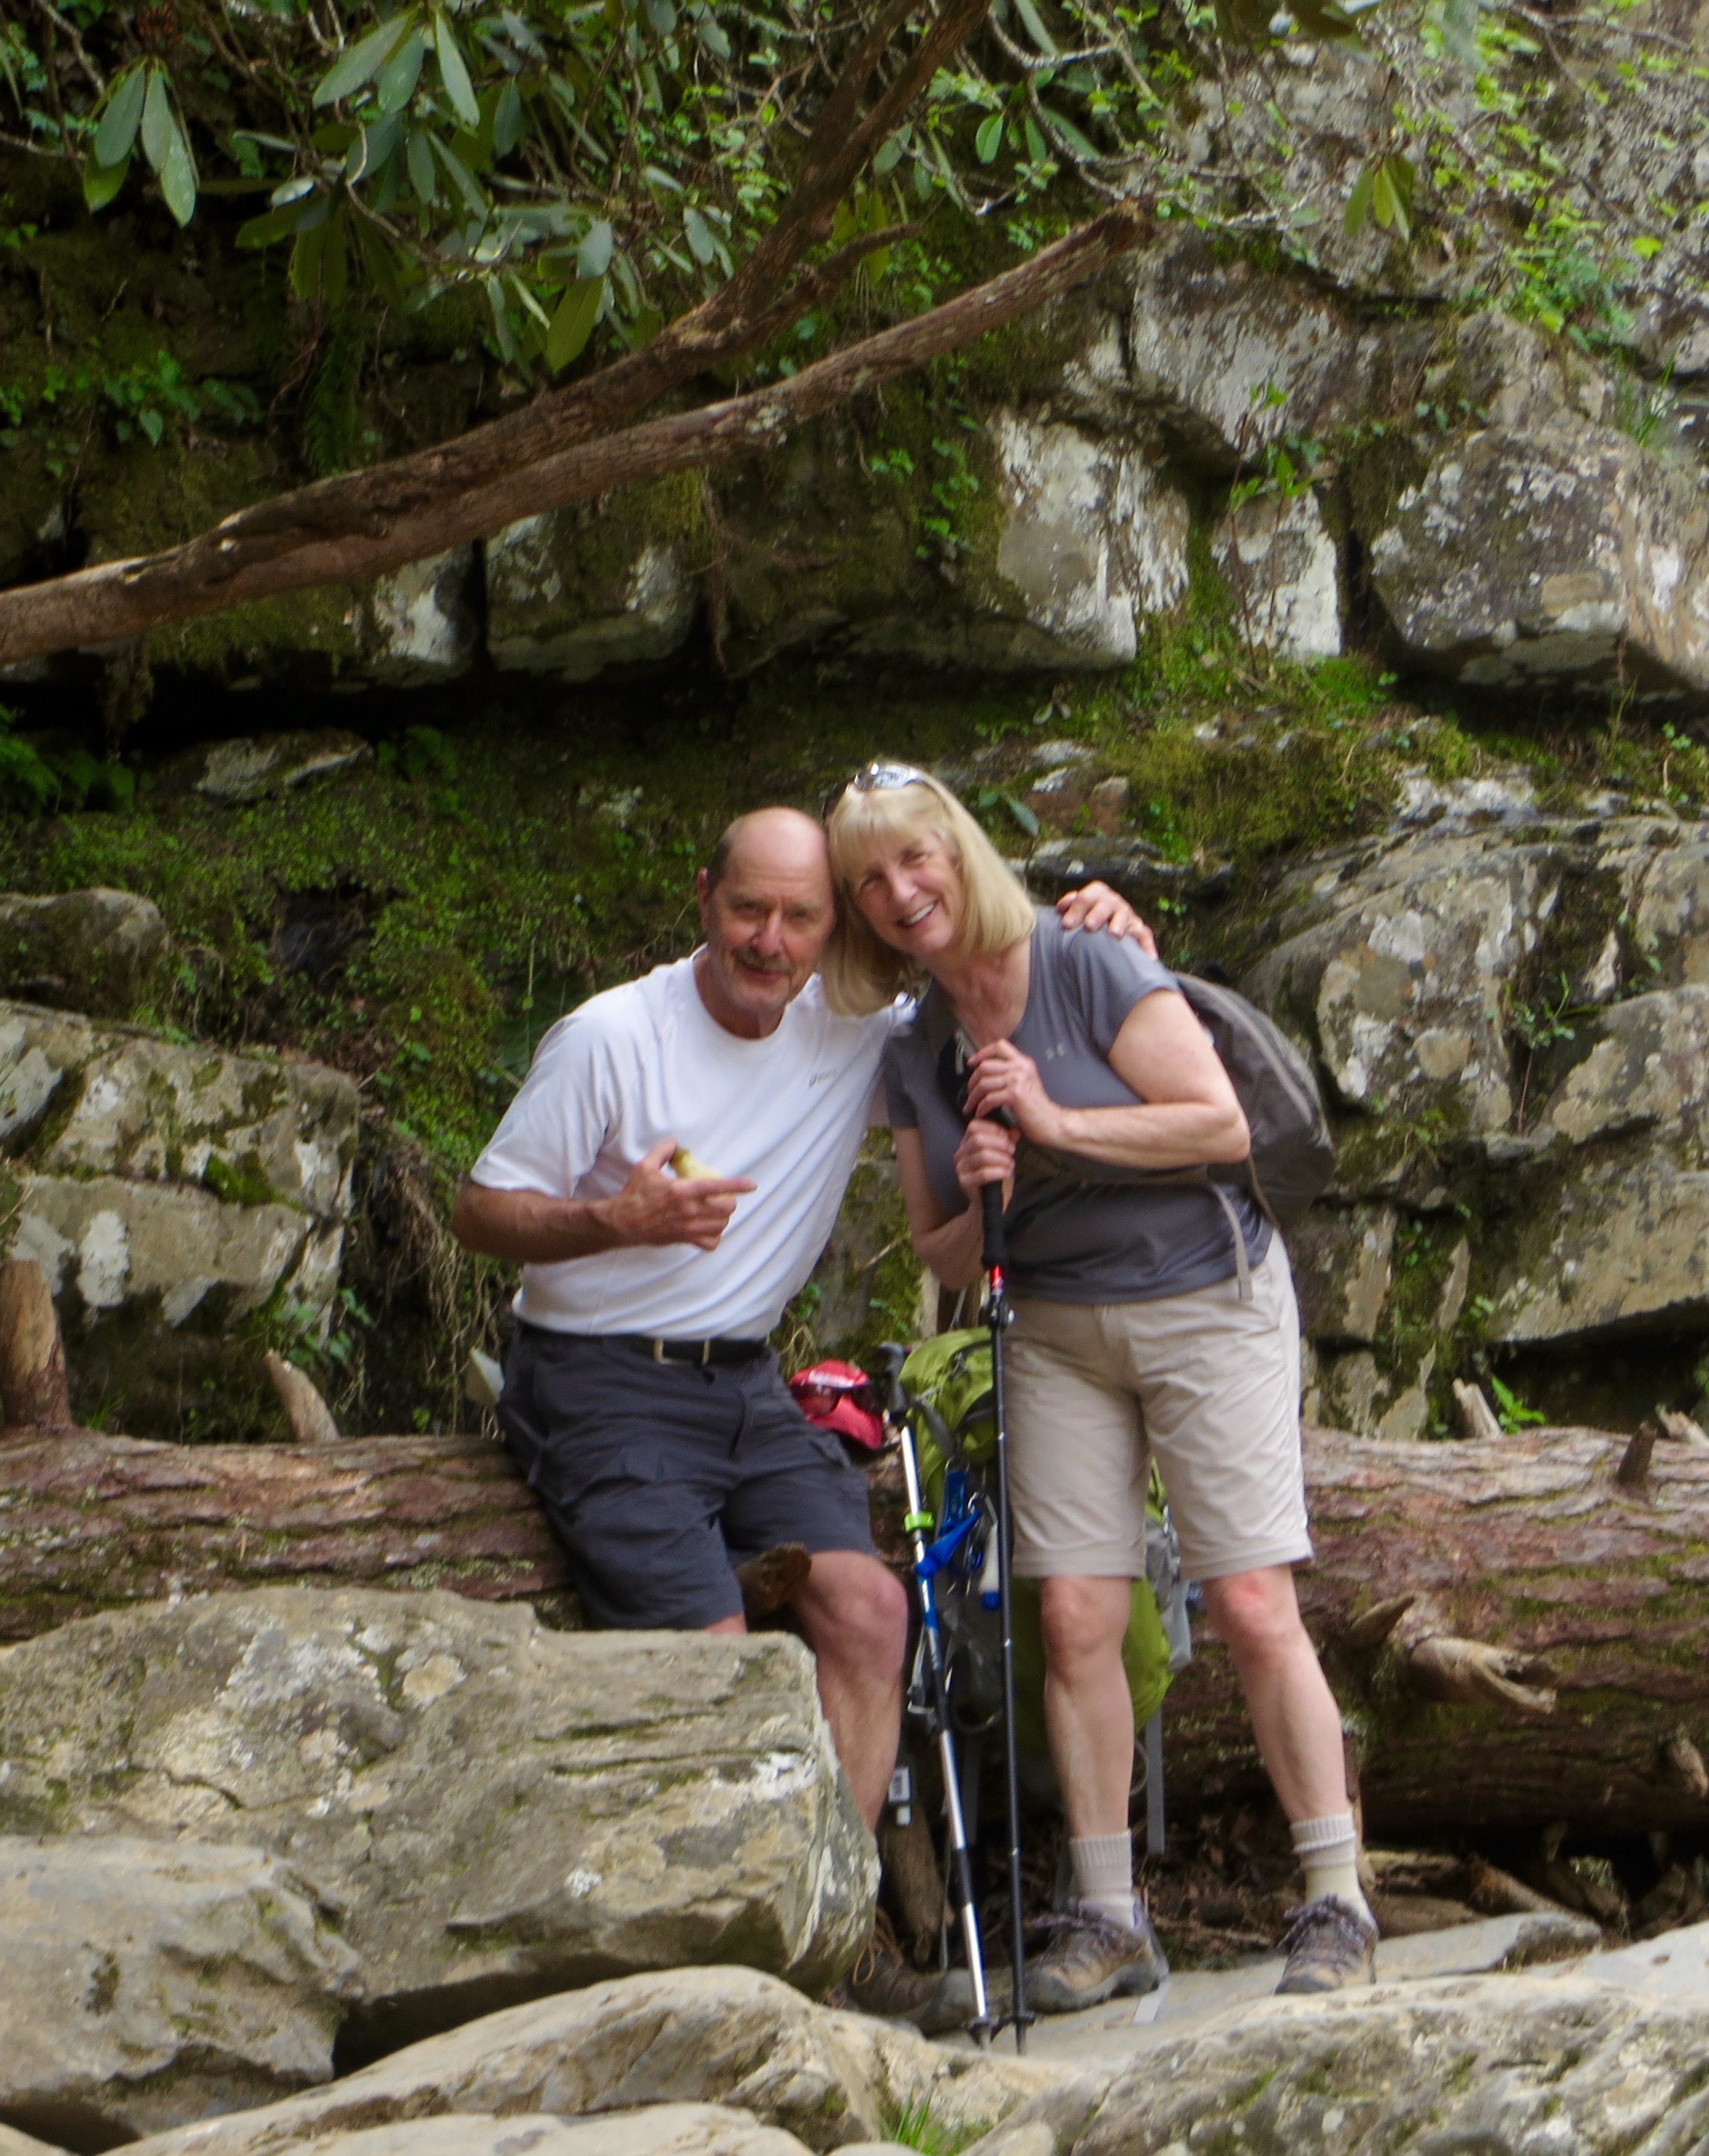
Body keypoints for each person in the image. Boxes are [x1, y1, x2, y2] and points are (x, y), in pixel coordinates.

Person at [450, 805, 1148, 2020]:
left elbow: (984, 957)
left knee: (873, 1613)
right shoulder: (610, 1038)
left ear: (834, 928)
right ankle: (727, 1960)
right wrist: (608, 1222)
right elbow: (479, 1208)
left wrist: (1092, 928)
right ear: (704, 896)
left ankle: (834, 1933)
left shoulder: (857, 1024)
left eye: (799, 916)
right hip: (597, 1373)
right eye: (747, 910)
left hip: (744, 1383)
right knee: (718, 1660)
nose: (768, 940)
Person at [822, 761, 1377, 2014]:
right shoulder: (917, 1047)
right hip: (1054, 1328)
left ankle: (1335, 1895)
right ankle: (1108, 1915)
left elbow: (1217, 1123)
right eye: (869, 879)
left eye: (915, 857)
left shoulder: (1085, 959)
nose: (899, 891)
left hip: (1203, 1295)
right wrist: (978, 1180)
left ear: (960, 852)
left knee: (1245, 1597)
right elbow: (947, 1251)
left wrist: (1055, 1123)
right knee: (1072, 1616)